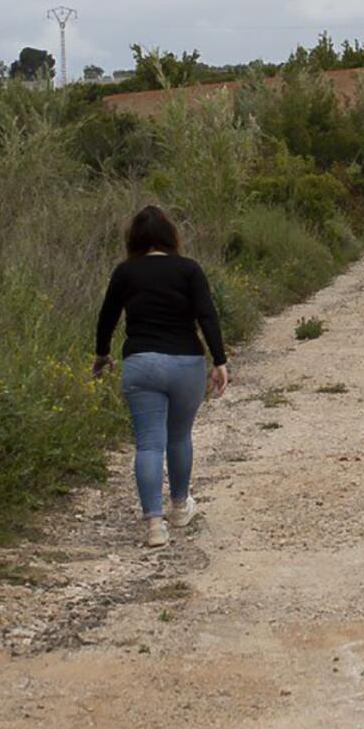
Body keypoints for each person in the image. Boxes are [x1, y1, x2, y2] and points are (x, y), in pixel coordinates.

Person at [93, 205, 229, 547]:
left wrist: (102, 354)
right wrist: (220, 360)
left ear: (134, 238)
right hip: (186, 363)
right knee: (179, 437)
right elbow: (207, 315)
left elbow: (107, 316)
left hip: (142, 363)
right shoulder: (189, 269)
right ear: (171, 236)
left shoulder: (125, 271)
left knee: (149, 444)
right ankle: (180, 508)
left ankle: (155, 525)